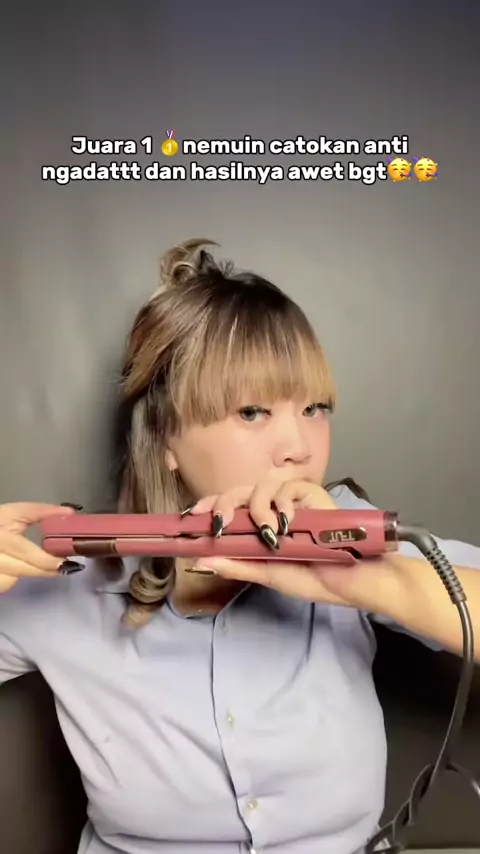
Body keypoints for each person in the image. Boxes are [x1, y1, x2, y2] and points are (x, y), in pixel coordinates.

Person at [0, 238, 479, 854]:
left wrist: (375, 582)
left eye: (315, 408)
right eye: (252, 412)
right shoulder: (64, 581)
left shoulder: (347, 530)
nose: (299, 448)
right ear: (166, 440)